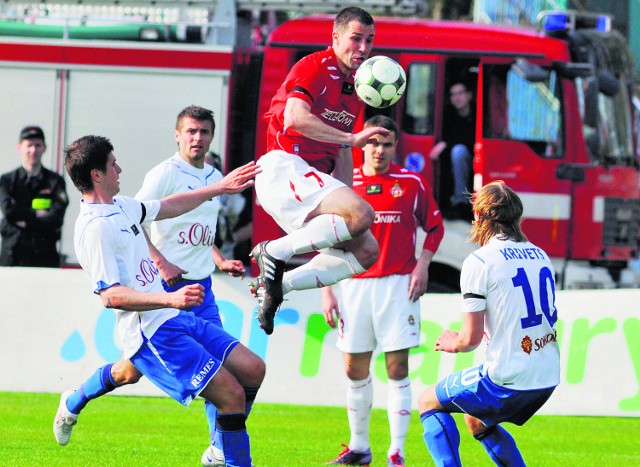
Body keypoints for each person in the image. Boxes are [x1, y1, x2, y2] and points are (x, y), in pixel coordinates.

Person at [55, 135, 264, 467]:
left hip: (174, 318)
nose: (119, 169)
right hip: (153, 333)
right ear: (96, 175)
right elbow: (111, 297)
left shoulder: (121, 205)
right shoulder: (94, 229)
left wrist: (219, 188)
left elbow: (169, 205)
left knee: (253, 370)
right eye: (113, 164)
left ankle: (74, 401)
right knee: (231, 395)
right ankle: (224, 452)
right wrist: (170, 299)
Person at [251, 6, 391, 335]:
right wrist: (352, 137)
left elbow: (343, 151)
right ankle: (274, 251)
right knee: (362, 215)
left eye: (369, 41)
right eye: (356, 39)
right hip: (283, 167)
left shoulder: (356, 87)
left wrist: (347, 200)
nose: (363, 48)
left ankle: (277, 288)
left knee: (367, 250)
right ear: (336, 37)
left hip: (310, 180)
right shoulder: (314, 66)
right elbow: (295, 118)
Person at [322, 115, 444, 467]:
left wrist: (423, 265)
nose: (379, 150)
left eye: (386, 143)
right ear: (362, 144)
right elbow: (326, 236)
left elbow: (434, 228)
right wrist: (327, 289)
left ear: (394, 147)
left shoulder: (411, 183)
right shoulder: (345, 184)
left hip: (397, 285)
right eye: (373, 142)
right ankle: (360, 448)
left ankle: (397, 452)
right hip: (352, 284)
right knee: (353, 369)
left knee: (397, 367)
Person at [135, 106, 248, 466]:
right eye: (191, 131)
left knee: (225, 371)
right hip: (166, 291)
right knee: (128, 372)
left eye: (204, 132)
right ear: (177, 134)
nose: (197, 138)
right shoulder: (165, 174)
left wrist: (218, 260)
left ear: (213, 136)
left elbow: (201, 230)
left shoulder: (214, 177)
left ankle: (218, 449)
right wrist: (159, 260)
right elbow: (132, 220)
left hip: (203, 291)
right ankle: (75, 401)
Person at [418, 180, 560, 466]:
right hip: (548, 375)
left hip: (509, 377)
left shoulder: (480, 261)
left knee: (427, 402)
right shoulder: (541, 256)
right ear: (517, 216)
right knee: (476, 420)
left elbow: (468, 341)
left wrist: (451, 341)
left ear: (479, 217)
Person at [0, 126, 69, 267]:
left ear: (44, 148)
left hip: (44, 253)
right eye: (29, 145)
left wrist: (24, 219)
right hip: (13, 253)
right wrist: (38, 214)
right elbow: (8, 211)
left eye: (38, 145)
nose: (33, 150)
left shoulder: (55, 181)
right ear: (19, 148)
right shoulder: (7, 180)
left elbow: (57, 216)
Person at [429, 82, 475, 220]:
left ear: (469, 95)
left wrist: (446, 143)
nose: (457, 97)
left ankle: (463, 203)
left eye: (460, 93)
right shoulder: (447, 114)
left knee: (458, 151)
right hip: (453, 161)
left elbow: (471, 139)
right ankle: (452, 203)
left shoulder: (479, 113)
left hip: (476, 157)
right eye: (453, 94)